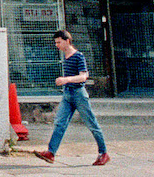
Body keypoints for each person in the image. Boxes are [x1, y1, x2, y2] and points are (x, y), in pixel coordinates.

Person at [33, 29, 110, 166]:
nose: (57, 45)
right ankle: (51, 152)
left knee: (92, 124)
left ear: (67, 41)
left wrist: (66, 79)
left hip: (79, 94)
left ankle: (103, 153)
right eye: (55, 42)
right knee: (59, 123)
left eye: (59, 42)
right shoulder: (65, 57)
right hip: (68, 94)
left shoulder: (78, 56)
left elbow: (83, 76)